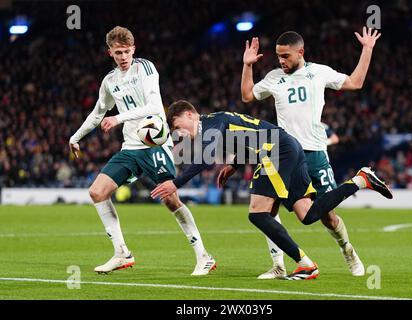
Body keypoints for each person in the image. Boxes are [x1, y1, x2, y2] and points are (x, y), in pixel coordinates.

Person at [151, 100, 392, 280]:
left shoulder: (210, 124)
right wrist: (234, 166)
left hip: (275, 152)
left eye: (177, 125)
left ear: (190, 114)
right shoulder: (217, 121)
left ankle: (305, 264)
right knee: (307, 215)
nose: (179, 132)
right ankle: (360, 180)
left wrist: (175, 183)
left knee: (258, 213)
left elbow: (204, 160)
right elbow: (246, 137)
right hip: (287, 147)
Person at [69, 26, 215, 275]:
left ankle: (204, 256)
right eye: (118, 53)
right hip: (130, 147)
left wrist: (118, 119)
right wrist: (76, 136)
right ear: (110, 53)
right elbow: (97, 113)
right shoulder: (110, 81)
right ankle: (121, 253)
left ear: (133, 49)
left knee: (170, 198)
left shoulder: (145, 68)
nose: (123, 57)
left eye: (127, 51)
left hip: (154, 143)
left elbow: (155, 106)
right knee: (97, 192)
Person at [240, 28, 380, 278]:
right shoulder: (273, 78)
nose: (281, 61)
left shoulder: (319, 72)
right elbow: (248, 95)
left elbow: (355, 82)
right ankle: (279, 265)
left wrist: (367, 49)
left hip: (315, 152)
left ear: (300, 52)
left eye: (286, 56)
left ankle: (347, 249)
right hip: (285, 155)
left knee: (328, 217)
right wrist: (247, 66)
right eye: (278, 56)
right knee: (268, 209)